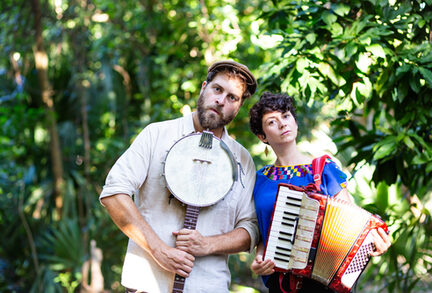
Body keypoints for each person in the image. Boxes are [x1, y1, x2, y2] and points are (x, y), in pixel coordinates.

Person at [99, 60, 259, 293]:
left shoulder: (242, 160)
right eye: (217, 89)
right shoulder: (157, 135)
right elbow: (114, 193)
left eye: (232, 97)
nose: (221, 100)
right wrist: (159, 251)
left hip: (208, 287)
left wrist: (207, 244)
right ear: (204, 87)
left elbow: (251, 228)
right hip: (147, 285)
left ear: (239, 105)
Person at [248, 92, 392, 292]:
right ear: (262, 136)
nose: (282, 124)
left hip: (323, 284)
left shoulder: (324, 169)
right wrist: (259, 258)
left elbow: (354, 228)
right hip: (281, 284)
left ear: (295, 123)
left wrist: (375, 242)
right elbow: (264, 232)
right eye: (272, 122)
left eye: (286, 116)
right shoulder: (261, 179)